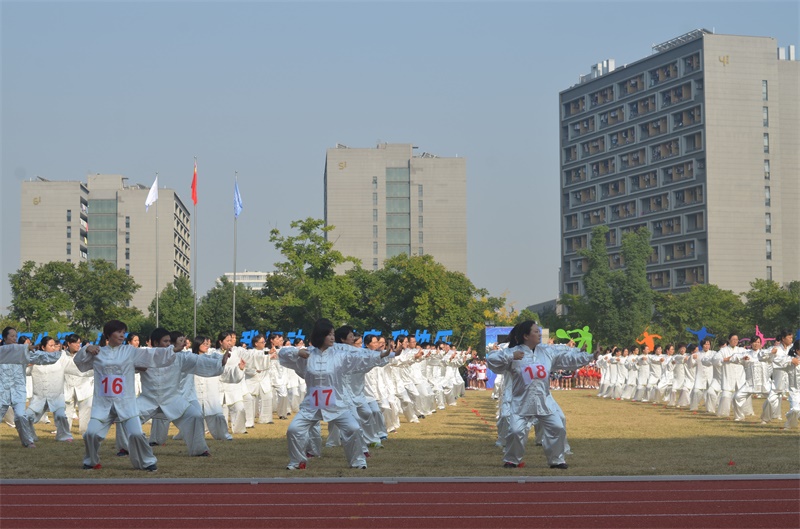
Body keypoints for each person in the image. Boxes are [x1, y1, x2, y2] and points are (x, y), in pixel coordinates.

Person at [279, 318, 394, 470]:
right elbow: (283, 354)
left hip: (335, 401)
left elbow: (360, 357)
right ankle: (297, 461)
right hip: (312, 403)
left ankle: (358, 461)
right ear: (321, 336)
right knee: (294, 429)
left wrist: (382, 355)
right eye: (329, 334)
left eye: (333, 334)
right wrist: (297, 351)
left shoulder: (339, 355)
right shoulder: (307, 355)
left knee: (353, 428)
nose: (332, 337)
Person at [486, 320, 597, 470]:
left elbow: (567, 358)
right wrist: (511, 356)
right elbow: (491, 359)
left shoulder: (546, 351)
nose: (539, 334)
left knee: (557, 427)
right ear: (526, 335)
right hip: (521, 401)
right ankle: (512, 459)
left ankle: (557, 460)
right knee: (516, 431)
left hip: (544, 399)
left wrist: (589, 356)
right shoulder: (513, 351)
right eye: (536, 331)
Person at [72, 320, 177, 471]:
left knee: (136, 433)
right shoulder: (98, 352)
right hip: (103, 403)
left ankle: (147, 462)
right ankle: (90, 461)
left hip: (125, 402)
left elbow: (151, 354)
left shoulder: (130, 351)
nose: (122, 335)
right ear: (108, 334)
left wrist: (172, 350)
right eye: (118, 332)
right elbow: (79, 363)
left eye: (123, 332)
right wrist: (87, 348)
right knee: (91, 433)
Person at [0, 327, 63, 447]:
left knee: (20, 415)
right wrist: (23, 347)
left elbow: (42, 357)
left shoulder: (22, 352)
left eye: (16, 336)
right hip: (2, 390)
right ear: (4, 338)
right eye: (12, 336)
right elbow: (8, 349)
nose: (15, 338)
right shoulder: (2, 351)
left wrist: (61, 354)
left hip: (18, 390)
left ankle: (28, 441)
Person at [25, 336, 74, 442]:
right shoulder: (35, 360)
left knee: (61, 415)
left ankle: (64, 435)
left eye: (55, 346)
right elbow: (24, 371)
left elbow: (74, 366)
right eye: (50, 346)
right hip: (39, 396)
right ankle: (30, 436)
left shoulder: (61, 358)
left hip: (56, 395)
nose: (54, 348)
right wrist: (26, 364)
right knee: (27, 417)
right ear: (43, 347)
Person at [64, 334, 94, 435]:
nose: (78, 345)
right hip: (67, 385)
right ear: (68, 343)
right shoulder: (62, 355)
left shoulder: (84, 353)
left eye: (79, 343)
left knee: (86, 408)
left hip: (83, 385)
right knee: (67, 409)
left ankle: (84, 431)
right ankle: (65, 431)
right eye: (75, 343)